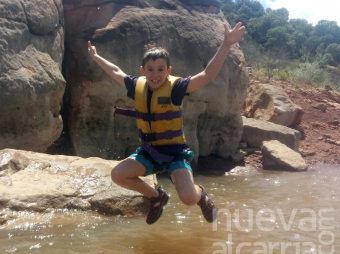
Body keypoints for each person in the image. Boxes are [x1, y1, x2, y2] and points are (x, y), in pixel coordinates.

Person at [87, 22, 247, 224]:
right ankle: (157, 197)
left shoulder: (176, 87)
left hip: (174, 154)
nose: (155, 74)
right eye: (151, 69)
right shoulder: (137, 85)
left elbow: (207, 75)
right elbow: (116, 71)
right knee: (118, 175)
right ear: (143, 70)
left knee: (188, 199)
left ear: (168, 70)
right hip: (149, 152)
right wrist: (95, 56)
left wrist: (226, 44)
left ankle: (202, 195)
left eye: (161, 69)